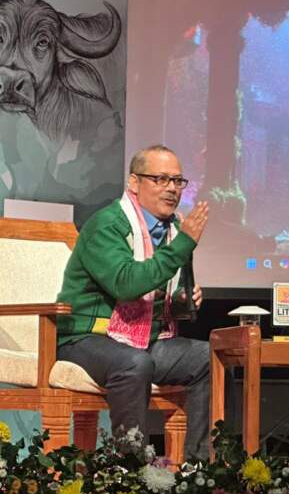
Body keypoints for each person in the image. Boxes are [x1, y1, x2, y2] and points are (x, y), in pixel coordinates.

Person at [56, 145, 211, 460]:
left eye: (178, 181)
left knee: (211, 358)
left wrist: (184, 297)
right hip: (88, 337)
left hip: (148, 340)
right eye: (160, 178)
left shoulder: (174, 231)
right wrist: (184, 244)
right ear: (134, 183)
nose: (171, 188)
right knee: (134, 364)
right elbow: (127, 284)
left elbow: (162, 288)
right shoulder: (108, 224)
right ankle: (130, 469)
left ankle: (200, 469)